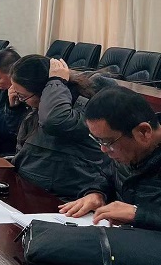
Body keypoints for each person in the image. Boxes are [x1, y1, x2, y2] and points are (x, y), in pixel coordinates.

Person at [60, 87, 161, 230]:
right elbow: (108, 175)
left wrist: (138, 214)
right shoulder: (127, 149)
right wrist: (96, 193)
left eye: (107, 142)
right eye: (99, 141)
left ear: (143, 132)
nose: (103, 149)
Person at [9, 54, 106, 200]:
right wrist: (14, 110)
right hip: (28, 191)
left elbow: (54, 121)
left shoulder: (82, 111)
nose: (22, 101)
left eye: (23, 96)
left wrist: (55, 81)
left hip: (62, 201)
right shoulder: (37, 112)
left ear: (44, 92)